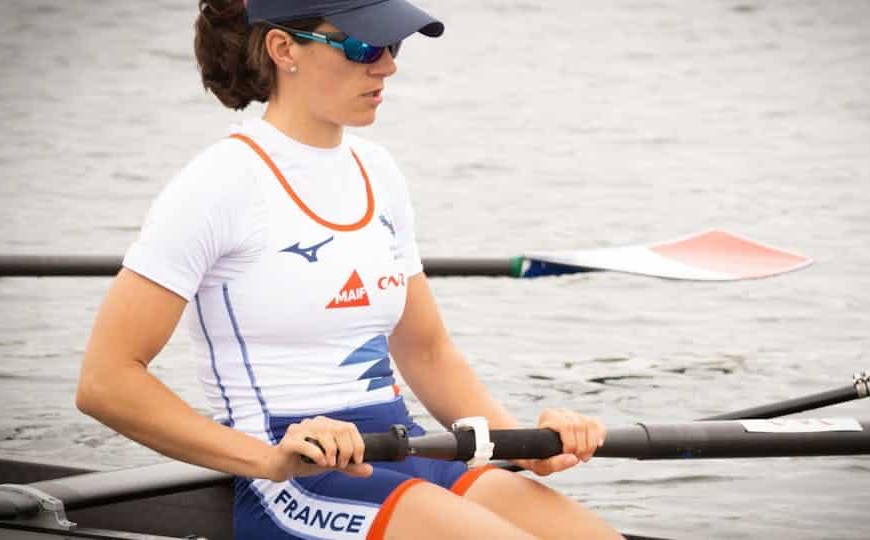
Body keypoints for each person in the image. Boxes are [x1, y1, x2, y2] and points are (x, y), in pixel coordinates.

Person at [76, 1, 622, 538]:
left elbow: (425, 351)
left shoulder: (378, 172)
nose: (387, 65)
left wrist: (524, 447)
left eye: (393, 45)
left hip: (405, 447)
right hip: (296, 479)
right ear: (282, 48)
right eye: (363, 47)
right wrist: (267, 460)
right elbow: (107, 380)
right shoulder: (219, 184)